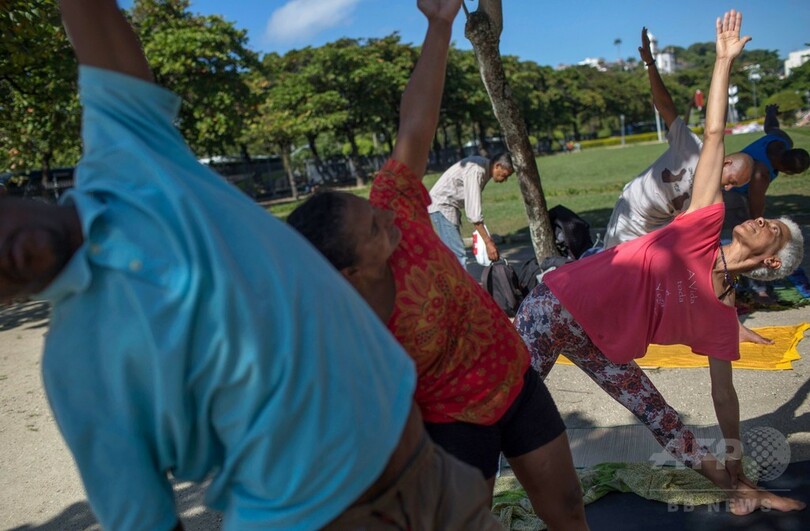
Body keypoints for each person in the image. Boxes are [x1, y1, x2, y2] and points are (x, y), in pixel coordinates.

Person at [3, 1, 501, 529]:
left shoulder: (127, 159)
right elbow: (140, 520)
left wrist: (440, 22)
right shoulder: (73, 368)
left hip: (431, 475)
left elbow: (90, 13)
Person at [287, 2, 587, 528]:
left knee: (566, 509)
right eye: (374, 229)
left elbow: (415, 122)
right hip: (453, 424)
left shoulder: (395, 203)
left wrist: (439, 24)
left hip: (511, 376)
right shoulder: (352, 340)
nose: (390, 222)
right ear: (349, 274)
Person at [515, 11, 806, 516]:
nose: (763, 221)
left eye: (773, 229)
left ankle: (738, 490)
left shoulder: (721, 311)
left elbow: (724, 395)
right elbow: (712, 136)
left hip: (600, 339)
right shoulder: (699, 223)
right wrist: (722, 62)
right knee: (505, 400)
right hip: (556, 305)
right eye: (768, 219)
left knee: (663, 418)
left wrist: (735, 460)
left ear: (772, 262)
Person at [604, 26, 755, 249]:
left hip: (660, 227)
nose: (730, 188)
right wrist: (650, 64)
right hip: (631, 215)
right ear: (726, 162)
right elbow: (665, 106)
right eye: (732, 180)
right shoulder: (692, 148)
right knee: (613, 271)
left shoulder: (714, 196)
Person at [723, 103, 810, 228]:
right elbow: (756, 203)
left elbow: (771, 126)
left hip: (726, 183)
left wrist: (770, 112)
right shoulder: (761, 174)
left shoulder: (782, 139)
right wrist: (758, 225)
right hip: (730, 193)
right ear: (787, 170)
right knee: (740, 220)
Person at [428, 153, 514, 265]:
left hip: (447, 206)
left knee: (455, 253)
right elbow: (474, 215)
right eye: (504, 175)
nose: (505, 180)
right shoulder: (477, 170)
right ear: (497, 166)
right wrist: (488, 243)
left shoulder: (483, 167)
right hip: (442, 205)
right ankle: (458, 282)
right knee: (457, 255)